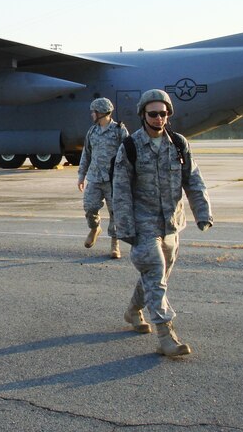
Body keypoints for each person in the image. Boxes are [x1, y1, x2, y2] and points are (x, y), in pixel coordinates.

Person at [112, 89, 212, 357]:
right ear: (143, 115)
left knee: (158, 276)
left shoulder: (179, 144)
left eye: (164, 113)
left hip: (172, 222)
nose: (159, 118)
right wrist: (125, 228)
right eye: (153, 113)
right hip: (143, 222)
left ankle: (133, 311)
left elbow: (193, 180)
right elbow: (120, 190)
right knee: (155, 273)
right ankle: (166, 336)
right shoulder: (130, 147)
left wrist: (203, 213)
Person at [77, 97, 128, 258]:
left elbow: (129, 154)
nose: (92, 115)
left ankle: (115, 244)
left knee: (115, 213)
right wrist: (81, 175)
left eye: (94, 112)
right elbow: (87, 154)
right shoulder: (92, 131)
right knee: (90, 207)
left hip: (114, 179)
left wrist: (128, 177)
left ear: (102, 112)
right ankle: (94, 228)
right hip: (94, 178)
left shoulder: (119, 130)